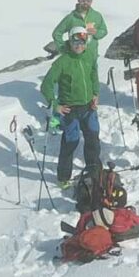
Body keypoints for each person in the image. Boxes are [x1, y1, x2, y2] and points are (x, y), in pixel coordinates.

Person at [40, 27, 101, 188]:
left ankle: (93, 169)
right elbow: (46, 85)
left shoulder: (89, 56)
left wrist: (95, 93)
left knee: (93, 139)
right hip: (70, 110)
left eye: (82, 41)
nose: (79, 45)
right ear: (70, 42)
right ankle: (63, 177)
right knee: (71, 142)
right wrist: (55, 105)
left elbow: (94, 74)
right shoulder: (62, 62)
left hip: (89, 107)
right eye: (75, 42)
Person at [50, 0, 107, 77]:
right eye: (83, 0)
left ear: (91, 1)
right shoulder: (71, 17)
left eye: (88, 0)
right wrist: (63, 48)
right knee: (76, 79)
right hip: (75, 56)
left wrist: (96, 32)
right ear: (78, 0)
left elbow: (104, 30)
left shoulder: (97, 16)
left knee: (92, 78)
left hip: (91, 55)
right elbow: (57, 33)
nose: (85, 2)